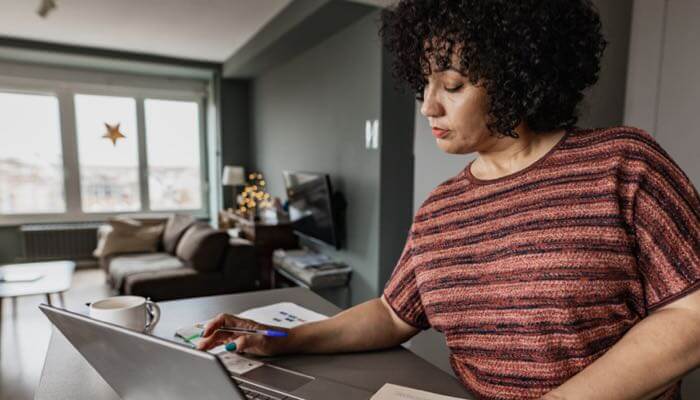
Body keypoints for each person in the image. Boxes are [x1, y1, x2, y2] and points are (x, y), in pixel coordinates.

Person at [198, 1, 700, 399]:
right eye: (425, 84)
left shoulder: (623, 163)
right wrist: (280, 339)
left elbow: (691, 315)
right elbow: (393, 314)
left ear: (516, 75)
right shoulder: (441, 209)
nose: (428, 106)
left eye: (453, 85)